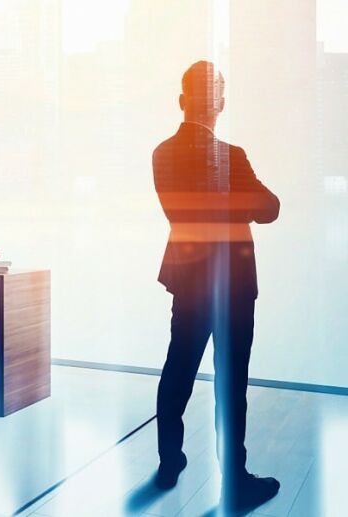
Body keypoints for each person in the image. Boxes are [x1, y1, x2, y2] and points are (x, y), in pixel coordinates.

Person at [152, 61, 281, 512]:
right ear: (221, 104)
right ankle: (235, 480)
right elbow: (270, 208)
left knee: (177, 370)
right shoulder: (232, 157)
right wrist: (235, 205)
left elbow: (179, 212)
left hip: (187, 278)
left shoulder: (161, 153)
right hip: (231, 284)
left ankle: (170, 461)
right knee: (231, 381)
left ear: (181, 100)